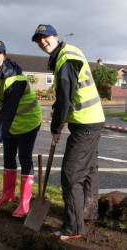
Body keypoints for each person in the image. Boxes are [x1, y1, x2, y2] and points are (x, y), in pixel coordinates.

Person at [32, 24, 105, 241]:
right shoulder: (70, 52)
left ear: (55, 36)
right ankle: (87, 213)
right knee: (89, 169)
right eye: (38, 39)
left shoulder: (65, 58)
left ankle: (73, 228)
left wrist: (56, 127)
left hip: (85, 123)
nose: (42, 42)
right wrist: (59, 110)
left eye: (45, 37)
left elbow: (65, 97)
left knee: (71, 175)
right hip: (93, 119)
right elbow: (67, 93)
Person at [0, 38, 42, 218]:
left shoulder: (15, 79)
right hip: (9, 119)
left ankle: (24, 203)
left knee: (24, 157)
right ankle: (7, 195)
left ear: (4, 56)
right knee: (8, 156)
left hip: (28, 121)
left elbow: (9, 110)